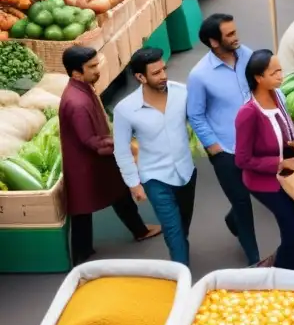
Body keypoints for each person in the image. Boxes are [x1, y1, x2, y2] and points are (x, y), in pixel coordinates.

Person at [58, 47, 161, 265]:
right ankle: (81, 256)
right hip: (86, 162)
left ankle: (138, 230)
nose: (98, 70)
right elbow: (90, 140)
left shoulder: (81, 90)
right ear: (76, 73)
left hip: (91, 159)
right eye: (92, 67)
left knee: (117, 194)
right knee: (84, 210)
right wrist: (122, 145)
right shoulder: (77, 102)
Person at [187, 14, 262, 266]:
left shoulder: (247, 55)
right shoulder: (199, 75)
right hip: (226, 149)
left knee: (258, 189)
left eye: (234, 31)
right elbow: (195, 114)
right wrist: (213, 146)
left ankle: (232, 220)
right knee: (241, 202)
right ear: (214, 42)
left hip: (257, 142)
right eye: (229, 35)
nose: (236, 37)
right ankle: (254, 257)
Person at [235, 50, 294, 270]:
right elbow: (242, 160)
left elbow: (281, 131)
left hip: (290, 176)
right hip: (265, 183)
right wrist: (279, 163)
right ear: (258, 78)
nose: (281, 75)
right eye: (275, 72)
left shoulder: (277, 97)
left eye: (280, 70)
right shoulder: (248, 113)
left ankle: (276, 260)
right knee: (291, 231)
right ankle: (285, 281)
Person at [113, 48, 196, 266]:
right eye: (156, 73)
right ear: (140, 77)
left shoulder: (182, 93)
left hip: (186, 172)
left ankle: (181, 252)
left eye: (163, 69)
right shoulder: (125, 109)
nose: (163, 76)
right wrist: (134, 183)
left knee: (183, 225)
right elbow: (121, 149)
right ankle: (182, 275)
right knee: (172, 229)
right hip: (154, 177)